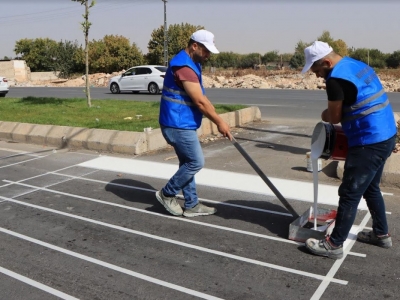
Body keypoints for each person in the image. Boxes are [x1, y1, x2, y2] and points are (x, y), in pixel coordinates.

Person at [301, 41, 397, 259]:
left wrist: (324, 115)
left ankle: (334, 244)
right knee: (371, 188)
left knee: (349, 193)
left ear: (326, 62)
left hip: (369, 142)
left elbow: (334, 118)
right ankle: (381, 235)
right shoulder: (355, 64)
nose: (317, 76)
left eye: (317, 70)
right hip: (387, 133)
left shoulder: (335, 80)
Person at [156, 29, 233, 218]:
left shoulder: (191, 62)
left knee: (187, 163)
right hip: (177, 124)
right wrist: (220, 122)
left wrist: (215, 116)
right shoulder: (184, 67)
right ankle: (167, 193)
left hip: (181, 122)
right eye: (205, 51)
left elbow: (201, 99)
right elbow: (200, 102)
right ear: (195, 46)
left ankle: (191, 205)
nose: (207, 55)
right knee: (196, 162)